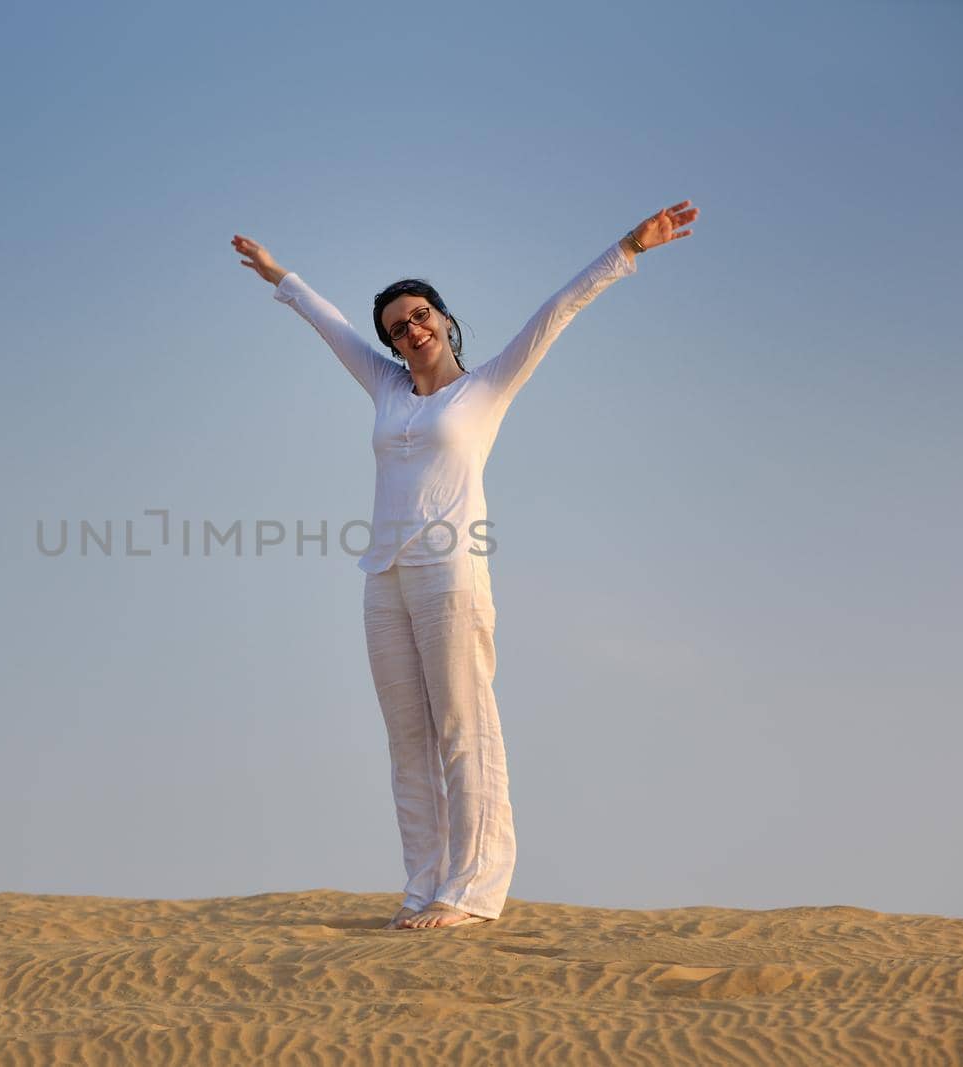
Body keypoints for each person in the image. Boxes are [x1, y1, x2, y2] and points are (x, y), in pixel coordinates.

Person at [230, 201, 699, 930]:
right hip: (384, 577)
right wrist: (280, 277)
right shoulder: (385, 386)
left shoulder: (486, 387)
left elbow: (558, 310)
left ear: (443, 318)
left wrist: (630, 246)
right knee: (406, 737)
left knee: (463, 725)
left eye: (418, 317)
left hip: (451, 577)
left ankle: (474, 890)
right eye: (396, 329)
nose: (408, 332)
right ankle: (424, 885)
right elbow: (333, 330)